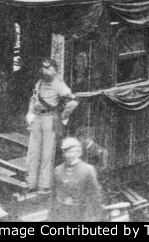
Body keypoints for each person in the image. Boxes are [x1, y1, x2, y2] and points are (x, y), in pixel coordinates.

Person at [25, 58, 78, 192]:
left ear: (55, 70)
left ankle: (44, 185)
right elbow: (34, 98)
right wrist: (30, 112)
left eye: (49, 68)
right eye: (44, 68)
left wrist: (64, 116)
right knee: (33, 152)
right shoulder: (40, 82)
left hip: (49, 119)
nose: (46, 71)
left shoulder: (59, 84)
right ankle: (31, 183)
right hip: (37, 118)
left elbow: (72, 102)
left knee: (47, 153)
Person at [48, 138, 106, 222]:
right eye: (66, 152)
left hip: (81, 214)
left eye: (72, 151)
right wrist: (51, 216)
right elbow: (53, 195)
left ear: (79, 152)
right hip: (61, 215)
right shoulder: (58, 170)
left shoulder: (87, 170)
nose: (69, 155)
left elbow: (95, 195)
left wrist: (97, 216)